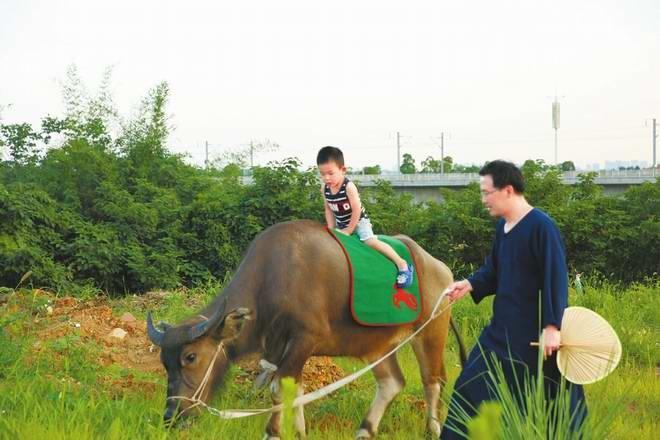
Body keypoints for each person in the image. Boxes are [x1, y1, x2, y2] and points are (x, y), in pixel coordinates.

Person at [440, 160, 587, 439]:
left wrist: (553, 327)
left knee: (552, 402)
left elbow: (555, 278)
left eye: (487, 192)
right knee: (470, 386)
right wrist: (470, 284)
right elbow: (494, 270)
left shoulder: (542, 227)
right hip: (501, 331)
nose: (483, 200)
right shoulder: (504, 228)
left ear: (507, 190)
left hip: (535, 336)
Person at [317, 146, 414, 288]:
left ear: (343, 170)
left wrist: (349, 231)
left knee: (369, 241)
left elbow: (356, 210)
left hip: (359, 222)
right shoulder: (324, 189)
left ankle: (402, 264)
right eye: (322, 174)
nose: (326, 178)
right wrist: (331, 228)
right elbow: (328, 209)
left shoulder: (349, 187)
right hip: (341, 223)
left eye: (330, 173)